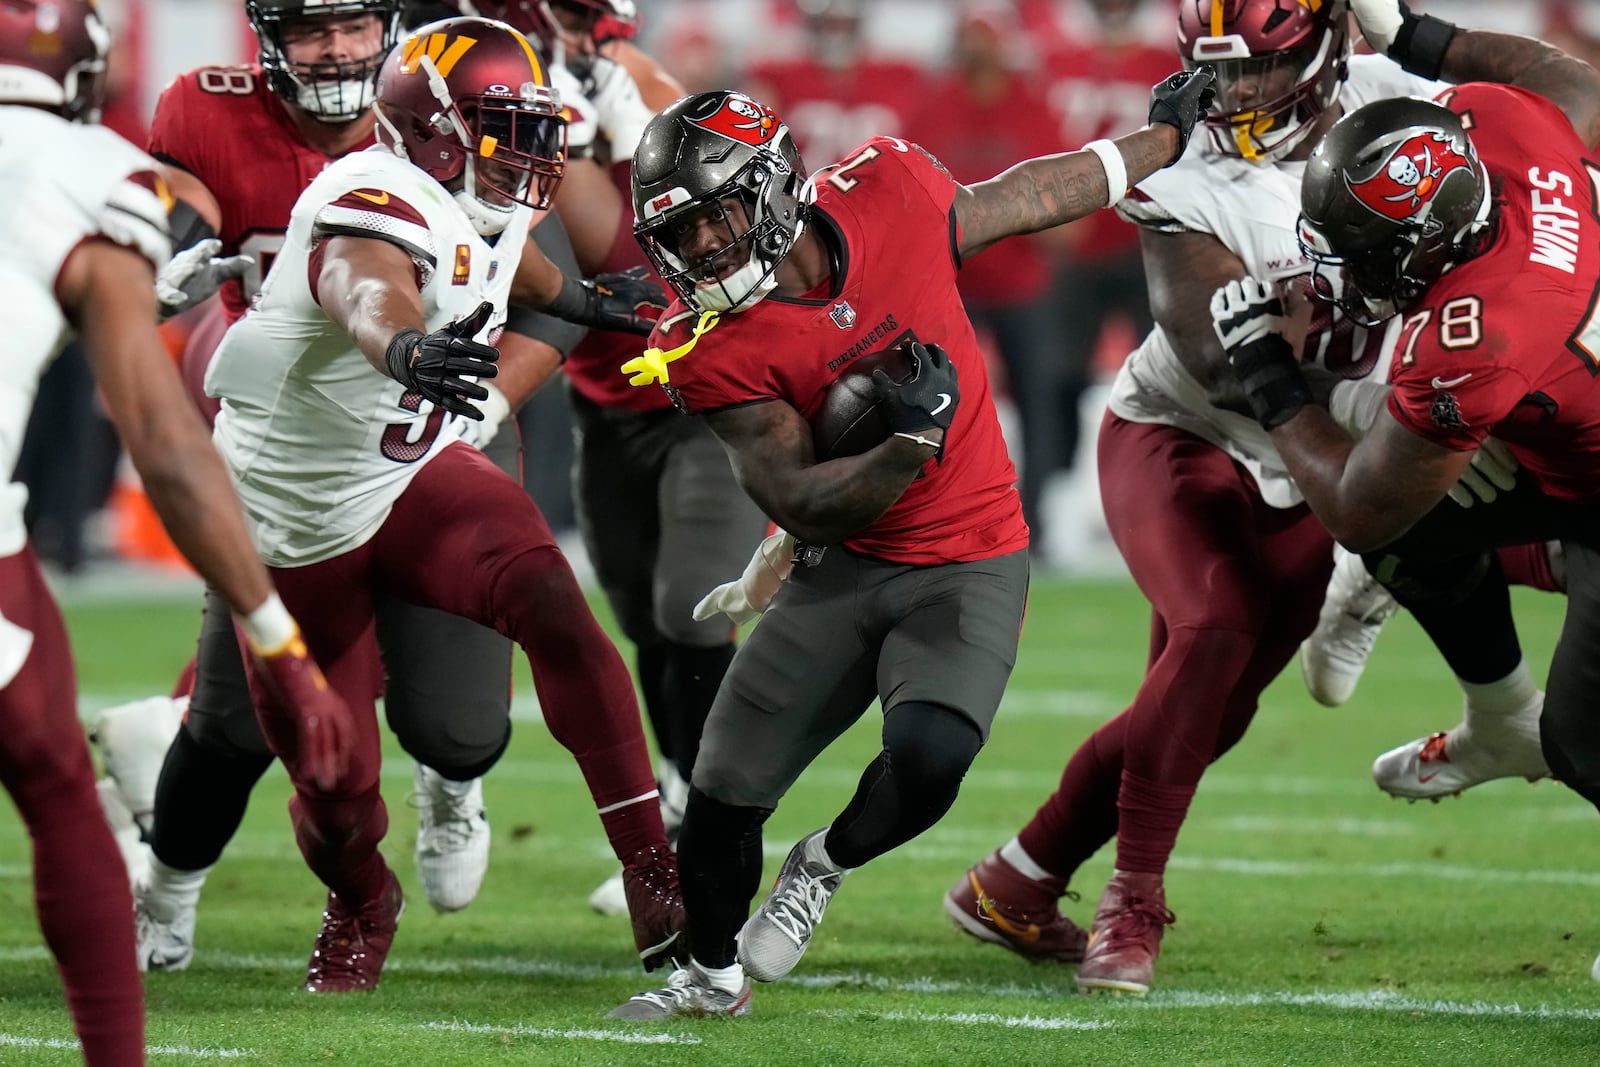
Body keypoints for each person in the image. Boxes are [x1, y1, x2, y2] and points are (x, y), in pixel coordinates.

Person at [607, 67, 1216, 1019]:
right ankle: (712, 976)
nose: (702, 249)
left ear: (773, 186)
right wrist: (907, 445)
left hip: (968, 553)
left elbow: (1032, 192)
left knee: (931, 754)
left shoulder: (892, 191)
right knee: (724, 786)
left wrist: (1164, 144)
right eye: (679, 234)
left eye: (716, 219)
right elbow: (805, 503)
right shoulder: (713, 345)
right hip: (838, 565)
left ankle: (825, 860)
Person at [103, 0, 658, 972]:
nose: (532, 151)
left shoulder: (479, 167)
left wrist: (585, 302)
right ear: (437, 131)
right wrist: (401, 343)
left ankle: (659, 871)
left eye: (535, 123)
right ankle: (345, 895)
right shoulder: (367, 184)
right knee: (312, 767)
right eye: (508, 127)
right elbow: (362, 281)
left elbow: (506, 250)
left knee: (540, 618)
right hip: (300, 505)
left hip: (417, 459)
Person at [942, 0, 1450, 997]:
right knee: (1211, 627)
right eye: (1224, 67)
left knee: (1206, 707)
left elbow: (1574, 101)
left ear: (1325, 39)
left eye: (1263, 64)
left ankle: (1016, 877)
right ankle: (1133, 900)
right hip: (1186, 430)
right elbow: (1218, 357)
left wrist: (1426, 35)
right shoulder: (1183, 166)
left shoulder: (1405, 100)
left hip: (1319, 459)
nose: (1243, 89)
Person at [1207, 0, 1600, 977]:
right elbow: (1576, 87)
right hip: (1569, 428)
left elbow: (1351, 501)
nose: (1339, 271)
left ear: (1428, 247)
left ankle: (1533, 727)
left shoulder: (1477, 337)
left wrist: (1264, 373)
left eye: (1362, 250)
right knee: (1410, 520)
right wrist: (1414, 35)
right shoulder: (1502, 128)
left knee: (1584, 739)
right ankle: (1500, 718)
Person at [0, 0, 356, 1057]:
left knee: (50, 732)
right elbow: (159, 435)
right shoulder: (90, 173)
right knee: (59, 784)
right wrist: (277, 641)